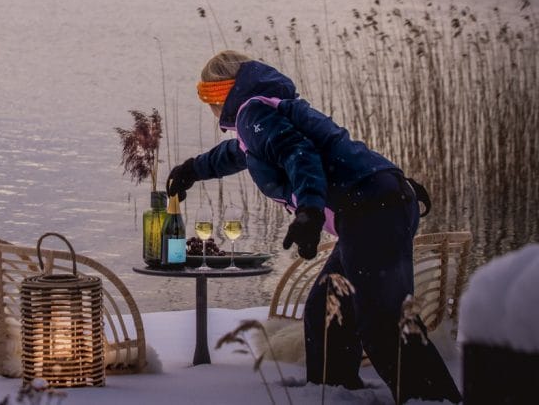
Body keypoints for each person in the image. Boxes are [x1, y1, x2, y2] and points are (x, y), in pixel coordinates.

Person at [165, 50, 462, 403]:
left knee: (383, 323)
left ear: (224, 91)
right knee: (327, 311)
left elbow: (297, 153)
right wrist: (191, 170)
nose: (209, 105)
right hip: (377, 202)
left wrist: (309, 211)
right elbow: (243, 152)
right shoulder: (262, 111)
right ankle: (335, 392)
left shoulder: (252, 112)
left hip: (370, 209)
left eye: (210, 95)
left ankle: (433, 400)